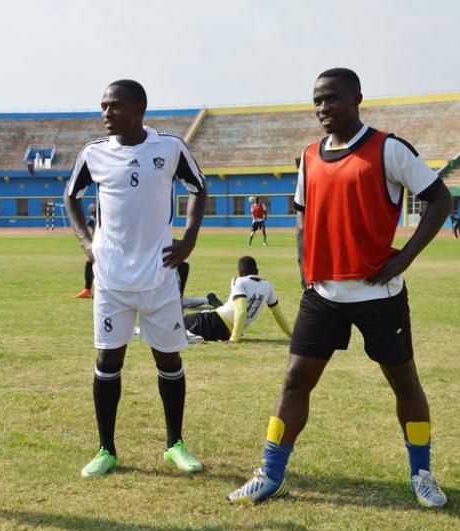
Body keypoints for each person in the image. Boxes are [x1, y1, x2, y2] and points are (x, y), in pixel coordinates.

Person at [227, 68, 452, 508]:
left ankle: (422, 474)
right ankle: (270, 474)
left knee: (404, 383)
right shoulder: (309, 156)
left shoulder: (388, 148)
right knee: (294, 382)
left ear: (357, 98)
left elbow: (440, 199)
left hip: (378, 295)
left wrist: (403, 259)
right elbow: (301, 215)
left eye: (332, 99)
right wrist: (304, 268)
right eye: (317, 101)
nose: (323, 108)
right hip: (323, 294)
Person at [64, 79, 208, 478]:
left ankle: (175, 444)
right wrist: (85, 241)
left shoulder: (170, 147)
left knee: (168, 358)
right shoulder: (93, 154)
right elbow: (70, 196)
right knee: (109, 359)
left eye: (115, 106)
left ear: (140, 108)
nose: (106, 113)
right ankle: (105, 449)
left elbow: (199, 187)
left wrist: (190, 240)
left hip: (160, 276)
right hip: (111, 278)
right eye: (104, 106)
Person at [183, 256, 291, 342]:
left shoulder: (238, 281)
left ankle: (192, 338)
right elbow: (278, 314)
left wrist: (234, 339)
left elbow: (241, 310)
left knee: (178, 323)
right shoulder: (268, 285)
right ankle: (192, 336)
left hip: (216, 320)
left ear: (240, 273)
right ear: (257, 271)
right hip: (227, 332)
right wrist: (291, 335)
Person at [73, 202, 97, 298]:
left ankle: (91, 290)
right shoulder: (91, 220)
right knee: (90, 263)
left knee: (95, 264)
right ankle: (88, 290)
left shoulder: (104, 216)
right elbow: (89, 231)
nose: (92, 209)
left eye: (93, 207)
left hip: (107, 245)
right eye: (90, 208)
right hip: (97, 244)